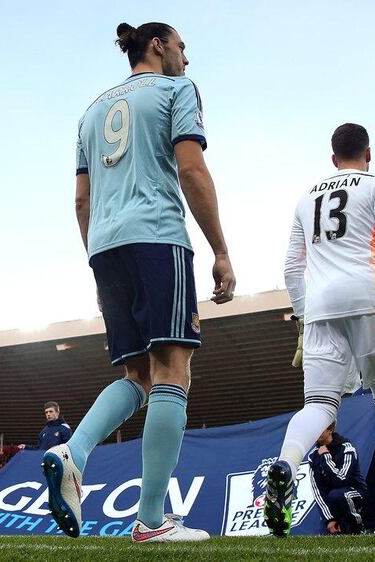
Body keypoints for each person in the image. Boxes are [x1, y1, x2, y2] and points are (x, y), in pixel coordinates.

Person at [42, 21, 235, 541]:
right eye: (182, 47)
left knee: (139, 379)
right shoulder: (177, 90)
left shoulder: (90, 113)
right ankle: (151, 521)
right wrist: (220, 250)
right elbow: (191, 170)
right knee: (173, 372)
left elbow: (80, 201)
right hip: (157, 236)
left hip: (104, 245)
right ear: (158, 45)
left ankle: (73, 452)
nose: (187, 59)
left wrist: (97, 262)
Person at [268, 123, 375, 537]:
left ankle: (285, 465)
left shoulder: (305, 198)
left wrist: (304, 319)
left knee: (320, 406)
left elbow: (292, 267)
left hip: (321, 308)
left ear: (332, 159)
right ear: (368, 153)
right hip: (371, 298)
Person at [309, 422, 367, 535]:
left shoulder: (347, 448)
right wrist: (329, 519)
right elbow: (318, 491)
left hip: (355, 492)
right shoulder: (313, 456)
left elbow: (341, 480)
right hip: (332, 499)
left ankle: (358, 528)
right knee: (326, 535)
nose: (315, 433)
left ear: (330, 429)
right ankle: (342, 525)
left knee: (337, 495)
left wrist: (326, 457)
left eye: (319, 429)